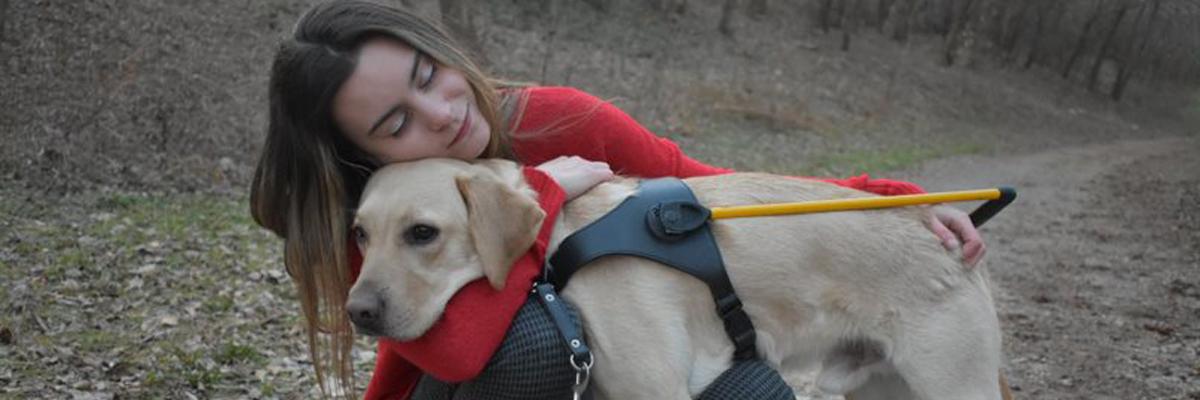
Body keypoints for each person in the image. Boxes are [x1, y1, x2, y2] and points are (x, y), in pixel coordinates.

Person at [249, 1, 987, 399]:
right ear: (363, 155)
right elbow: (455, 350)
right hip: (511, 381)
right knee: (533, 348)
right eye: (396, 122)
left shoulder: (557, 120)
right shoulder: (387, 211)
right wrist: (542, 192)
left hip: (875, 284)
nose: (439, 112)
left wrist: (896, 202)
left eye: (426, 74)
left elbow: (701, 181)